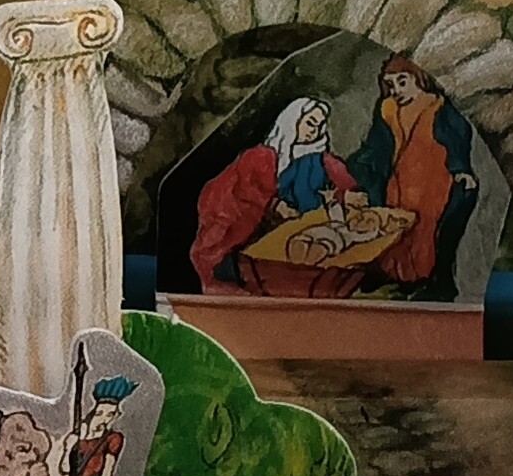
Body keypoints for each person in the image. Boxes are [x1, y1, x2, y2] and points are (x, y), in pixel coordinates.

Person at [189, 97, 359, 292]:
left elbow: (344, 183)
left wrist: (349, 195)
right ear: (293, 120)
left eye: (319, 126)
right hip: (255, 235)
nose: (314, 130)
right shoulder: (262, 156)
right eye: (310, 123)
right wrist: (275, 206)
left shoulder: (320, 159)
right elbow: (244, 194)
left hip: (303, 230)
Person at [347, 57, 479, 301]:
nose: (396, 90)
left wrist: (460, 168)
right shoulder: (387, 110)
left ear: (419, 79)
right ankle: (398, 277)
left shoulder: (438, 107)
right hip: (397, 184)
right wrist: (355, 170)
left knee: (426, 232)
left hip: (433, 183)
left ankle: (429, 282)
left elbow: (458, 138)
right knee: (397, 230)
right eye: (390, 84)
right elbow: (376, 146)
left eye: (402, 82)